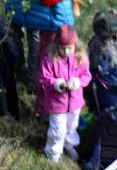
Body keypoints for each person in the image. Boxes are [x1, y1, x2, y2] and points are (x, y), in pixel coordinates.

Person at [37, 24, 91, 161]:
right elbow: (44, 78)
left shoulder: (80, 58)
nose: (66, 51)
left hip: (75, 103)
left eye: (69, 48)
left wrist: (77, 82)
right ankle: (53, 154)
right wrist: (56, 83)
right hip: (57, 104)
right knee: (57, 129)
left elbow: (86, 76)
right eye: (62, 48)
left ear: (75, 45)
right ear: (56, 46)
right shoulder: (50, 59)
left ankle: (69, 144)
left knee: (72, 126)